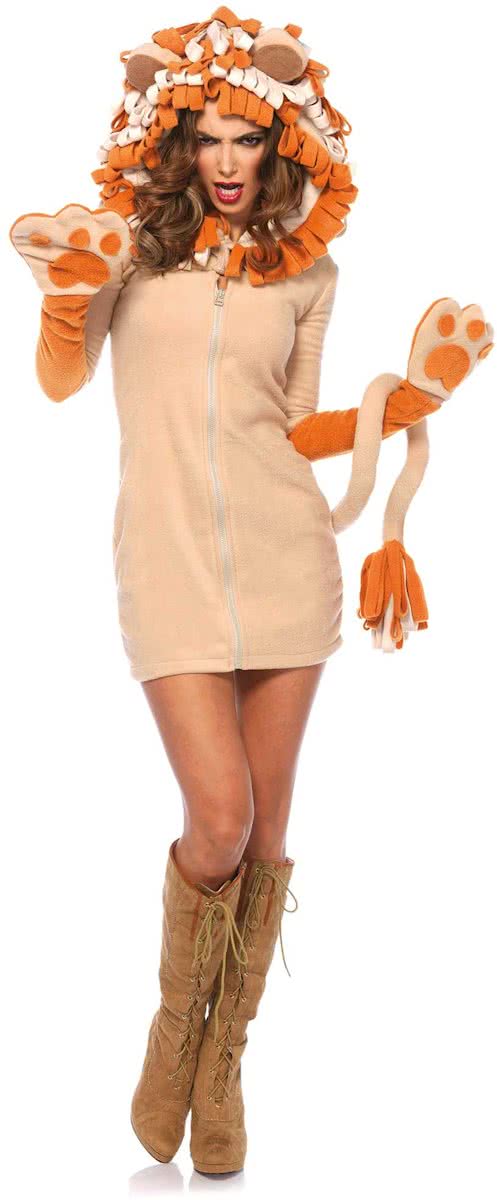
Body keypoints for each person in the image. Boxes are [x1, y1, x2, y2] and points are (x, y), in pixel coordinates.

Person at [9, 9, 493, 1177]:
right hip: (165, 563)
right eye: (208, 139)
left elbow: (296, 424)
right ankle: (174, 1036)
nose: (227, 162)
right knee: (217, 817)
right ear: (176, 144)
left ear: (281, 146)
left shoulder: (306, 271)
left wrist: (401, 402)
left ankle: (221, 1068)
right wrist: (67, 294)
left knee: (267, 834)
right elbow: (62, 379)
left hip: (288, 563)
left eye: (248, 140)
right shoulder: (125, 247)